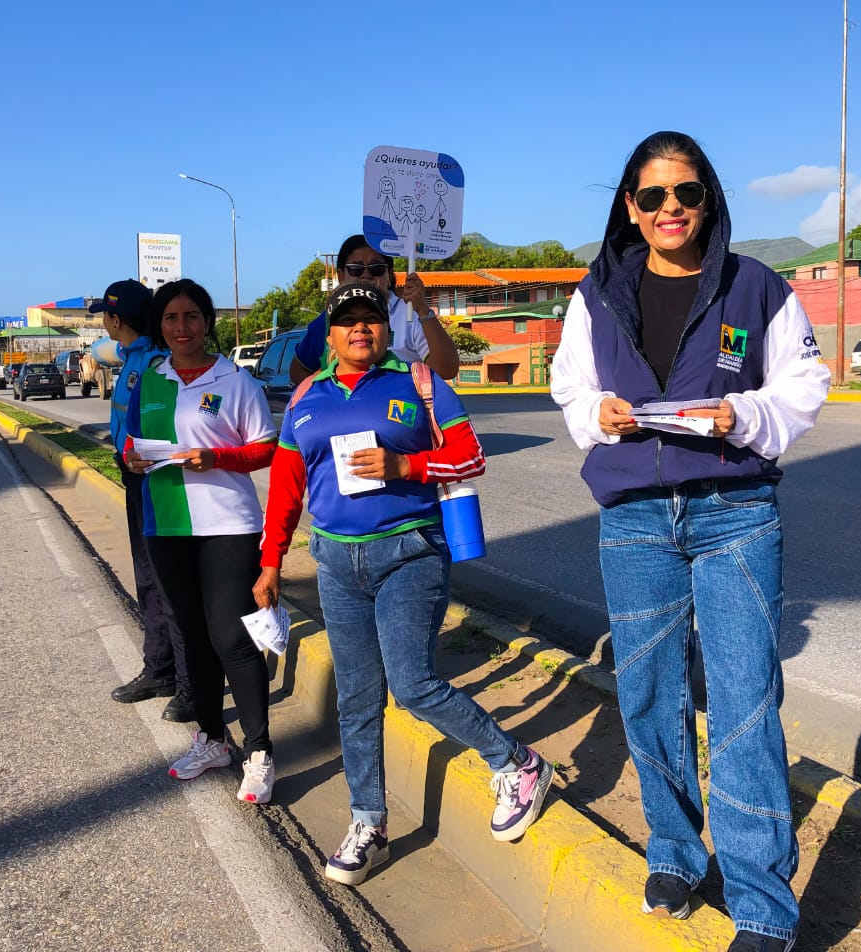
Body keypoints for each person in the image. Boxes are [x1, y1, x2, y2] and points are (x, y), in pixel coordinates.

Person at [550, 131, 830, 952]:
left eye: (686, 193)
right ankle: (675, 852)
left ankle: (761, 905)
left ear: (708, 199)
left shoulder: (758, 288)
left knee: (744, 703)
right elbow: (572, 387)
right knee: (647, 695)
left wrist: (742, 415)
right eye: (651, 196)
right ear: (629, 208)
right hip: (635, 518)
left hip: (735, 510)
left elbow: (804, 384)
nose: (670, 209)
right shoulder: (595, 294)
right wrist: (592, 413)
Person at [255, 280, 552, 886]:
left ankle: (518, 763)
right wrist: (270, 560)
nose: (360, 330)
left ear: (385, 330)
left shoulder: (420, 384)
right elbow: (287, 485)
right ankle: (370, 822)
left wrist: (405, 465)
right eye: (347, 322)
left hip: (409, 553)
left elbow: (470, 458)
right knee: (358, 698)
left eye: (371, 320)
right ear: (330, 335)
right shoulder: (308, 395)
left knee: (413, 684)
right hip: (336, 560)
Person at [123, 278, 279, 804]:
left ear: (207, 322)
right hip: (165, 524)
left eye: (191, 316)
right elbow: (130, 444)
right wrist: (131, 459)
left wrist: (217, 458)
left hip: (227, 525)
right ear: (159, 326)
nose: (181, 327)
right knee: (190, 635)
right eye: (170, 318)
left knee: (230, 638)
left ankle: (259, 753)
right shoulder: (150, 378)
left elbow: (265, 450)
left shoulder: (236, 380)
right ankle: (212, 739)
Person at [89, 279, 192, 724]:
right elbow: (98, 352)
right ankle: (160, 668)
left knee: (170, 583)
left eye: (105, 316)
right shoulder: (130, 356)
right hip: (136, 478)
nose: (103, 323)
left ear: (117, 319)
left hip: (159, 481)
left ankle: (189, 684)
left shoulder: (151, 361)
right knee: (148, 579)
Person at [288, 234, 460, 384]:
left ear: (390, 276)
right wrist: (327, 396)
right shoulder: (328, 320)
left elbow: (446, 369)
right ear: (341, 276)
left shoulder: (410, 314)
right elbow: (298, 371)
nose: (366, 275)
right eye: (355, 269)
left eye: (376, 269)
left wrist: (423, 310)